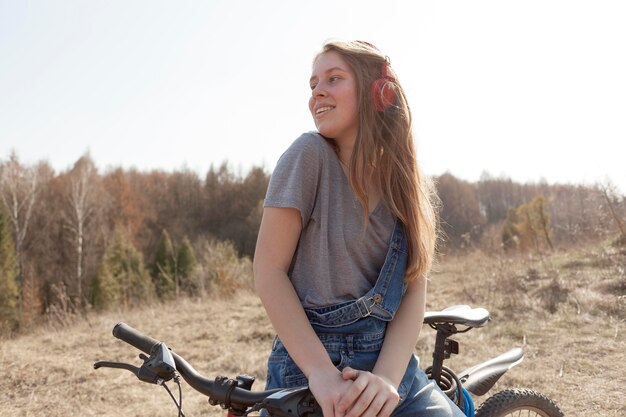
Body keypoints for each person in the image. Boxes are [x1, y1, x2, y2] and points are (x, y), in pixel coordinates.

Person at [253, 40, 465, 417]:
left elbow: (415, 290)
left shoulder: (406, 182)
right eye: (313, 83)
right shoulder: (307, 155)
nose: (317, 91)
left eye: (334, 78)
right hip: (308, 367)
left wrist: (386, 378)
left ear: (378, 93)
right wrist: (321, 373)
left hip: (391, 367)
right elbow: (268, 272)